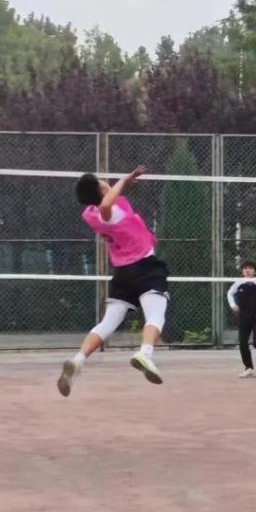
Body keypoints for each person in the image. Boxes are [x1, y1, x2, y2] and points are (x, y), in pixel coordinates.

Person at [58, 166, 168, 397]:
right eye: (101, 180)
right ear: (101, 190)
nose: (105, 181)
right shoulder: (108, 212)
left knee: (108, 323)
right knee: (156, 315)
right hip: (145, 267)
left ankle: (78, 360)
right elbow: (106, 205)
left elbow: (106, 202)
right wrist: (125, 180)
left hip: (122, 272)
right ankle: (145, 353)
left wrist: (122, 185)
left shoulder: (89, 213)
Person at [227, 260, 256, 378]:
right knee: (243, 344)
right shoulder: (238, 283)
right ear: (242, 271)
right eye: (245, 268)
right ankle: (248, 368)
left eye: (250, 268)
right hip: (243, 316)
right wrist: (233, 305)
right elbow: (229, 293)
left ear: (255, 271)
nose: (247, 270)